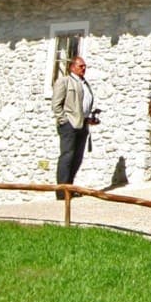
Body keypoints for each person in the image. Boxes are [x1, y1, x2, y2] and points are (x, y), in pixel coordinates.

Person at [50, 56, 96, 198]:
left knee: (77, 157)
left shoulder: (85, 83)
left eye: (84, 66)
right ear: (72, 67)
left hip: (82, 123)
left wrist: (89, 118)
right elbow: (56, 104)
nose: (83, 68)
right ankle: (62, 191)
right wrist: (64, 120)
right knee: (67, 156)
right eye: (80, 66)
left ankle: (69, 187)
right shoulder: (64, 81)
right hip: (69, 124)